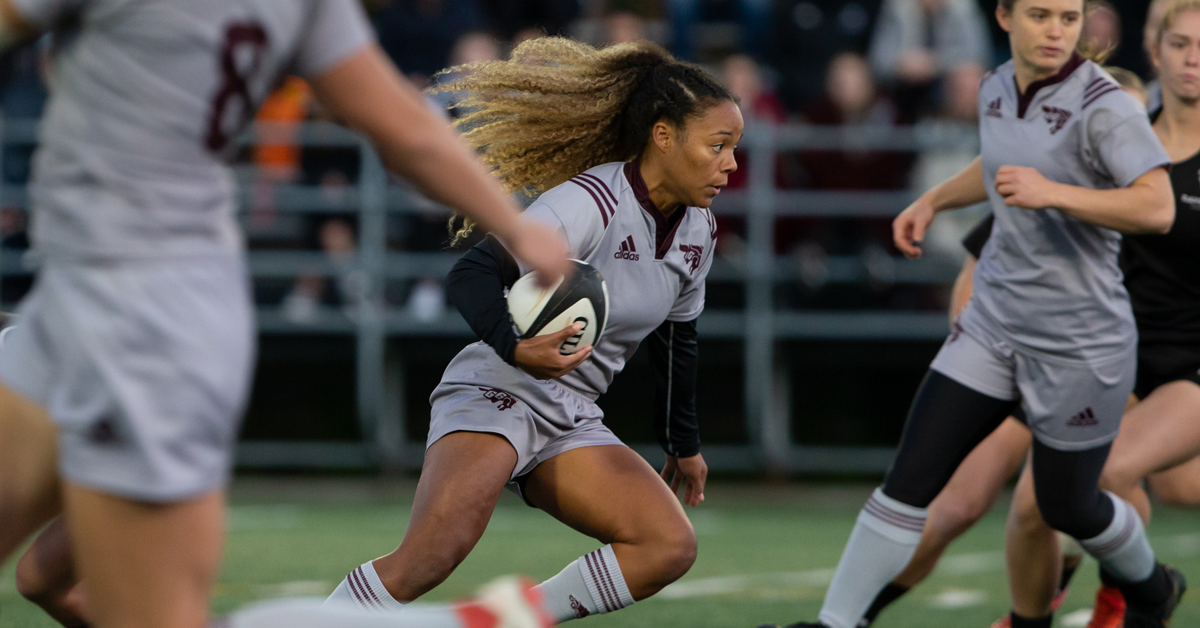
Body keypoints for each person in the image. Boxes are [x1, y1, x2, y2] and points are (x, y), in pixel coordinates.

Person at [0, 1, 571, 628]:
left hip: (140, 319)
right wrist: (514, 224)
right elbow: (404, 126)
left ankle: (446, 626)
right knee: (44, 581)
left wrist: (515, 225)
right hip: (95, 298)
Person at [757, 0, 1184, 626]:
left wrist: (1053, 193)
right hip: (995, 325)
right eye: (1041, 15)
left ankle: (1151, 587)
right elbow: (999, 164)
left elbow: (1157, 206)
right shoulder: (994, 86)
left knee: (1068, 506)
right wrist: (933, 200)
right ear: (1004, 16)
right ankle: (834, 624)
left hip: (1079, 343)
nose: (1057, 31)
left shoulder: (1106, 104)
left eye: (1069, 18)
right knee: (909, 481)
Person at [322, 38, 739, 626]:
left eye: (734, 148)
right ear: (663, 136)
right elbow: (472, 272)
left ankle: (501, 619)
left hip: (572, 413)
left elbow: (678, 339)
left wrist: (683, 443)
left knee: (667, 546)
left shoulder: (700, 231)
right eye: (718, 145)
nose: (731, 164)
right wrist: (516, 347)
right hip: (500, 387)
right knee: (430, 557)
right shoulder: (592, 201)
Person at [853, 64, 1156, 628]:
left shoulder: (1152, 208)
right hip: (1019, 358)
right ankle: (855, 615)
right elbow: (972, 278)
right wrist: (975, 357)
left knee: (1059, 499)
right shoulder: (1042, 195)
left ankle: (1108, 600)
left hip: (1099, 370)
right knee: (955, 506)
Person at [1004, 2, 1200, 626]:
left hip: (1189, 365)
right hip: (1109, 350)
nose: (1193, 58)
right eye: (1180, 43)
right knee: (1033, 506)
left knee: (1109, 475)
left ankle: (1139, 596)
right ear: (1154, 49)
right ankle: (1033, 617)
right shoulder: (1117, 132)